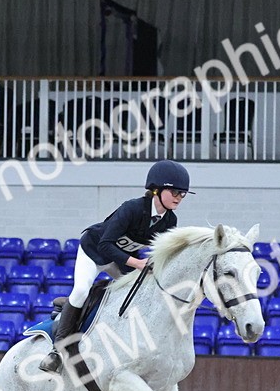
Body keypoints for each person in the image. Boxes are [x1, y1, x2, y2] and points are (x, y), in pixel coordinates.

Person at [39, 159, 193, 373]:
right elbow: (105, 244)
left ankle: (104, 332)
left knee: (140, 295)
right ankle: (57, 350)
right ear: (156, 190)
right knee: (82, 289)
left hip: (120, 258)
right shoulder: (132, 208)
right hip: (94, 251)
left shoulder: (169, 221)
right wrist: (138, 263)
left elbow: (161, 253)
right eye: (175, 192)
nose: (179, 197)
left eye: (182, 194)